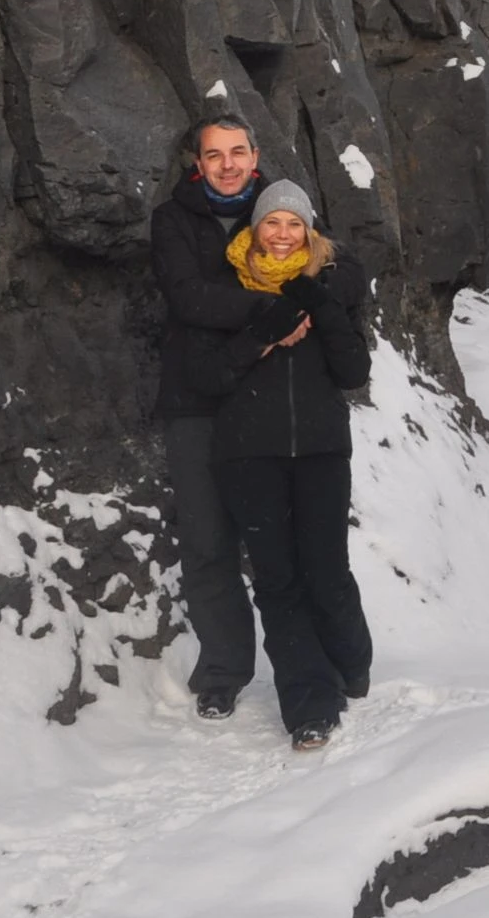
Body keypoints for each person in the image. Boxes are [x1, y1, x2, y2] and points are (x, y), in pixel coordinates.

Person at [202, 180, 375, 751]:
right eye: (271, 223)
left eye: (293, 224)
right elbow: (207, 375)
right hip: (249, 455)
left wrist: (321, 304)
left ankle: (353, 661)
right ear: (253, 230)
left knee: (327, 569)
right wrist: (262, 337)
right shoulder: (225, 289)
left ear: (309, 231)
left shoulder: (331, 288)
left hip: (323, 451)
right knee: (277, 580)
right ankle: (309, 705)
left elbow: (352, 371)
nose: (281, 235)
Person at [149, 116, 273, 720]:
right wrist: (269, 309)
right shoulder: (172, 221)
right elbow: (188, 298)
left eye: (238, 152)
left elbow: (329, 278)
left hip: (269, 396)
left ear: (256, 155)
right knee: (206, 541)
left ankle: (306, 669)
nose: (228, 164)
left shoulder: (282, 215)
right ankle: (222, 671)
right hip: (193, 400)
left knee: (281, 539)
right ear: (197, 163)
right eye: (214, 155)